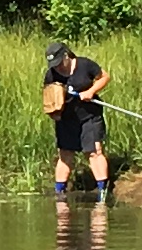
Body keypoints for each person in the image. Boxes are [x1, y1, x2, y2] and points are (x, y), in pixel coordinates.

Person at [42, 42, 111, 201]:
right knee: (65, 154)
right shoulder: (51, 75)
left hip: (89, 116)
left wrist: (91, 91)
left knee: (94, 151)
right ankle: (60, 193)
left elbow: (104, 77)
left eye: (59, 63)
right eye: (54, 65)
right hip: (66, 118)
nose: (57, 68)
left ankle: (102, 191)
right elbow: (48, 98)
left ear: (66, 56)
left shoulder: (85, 65)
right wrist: (54, 114)